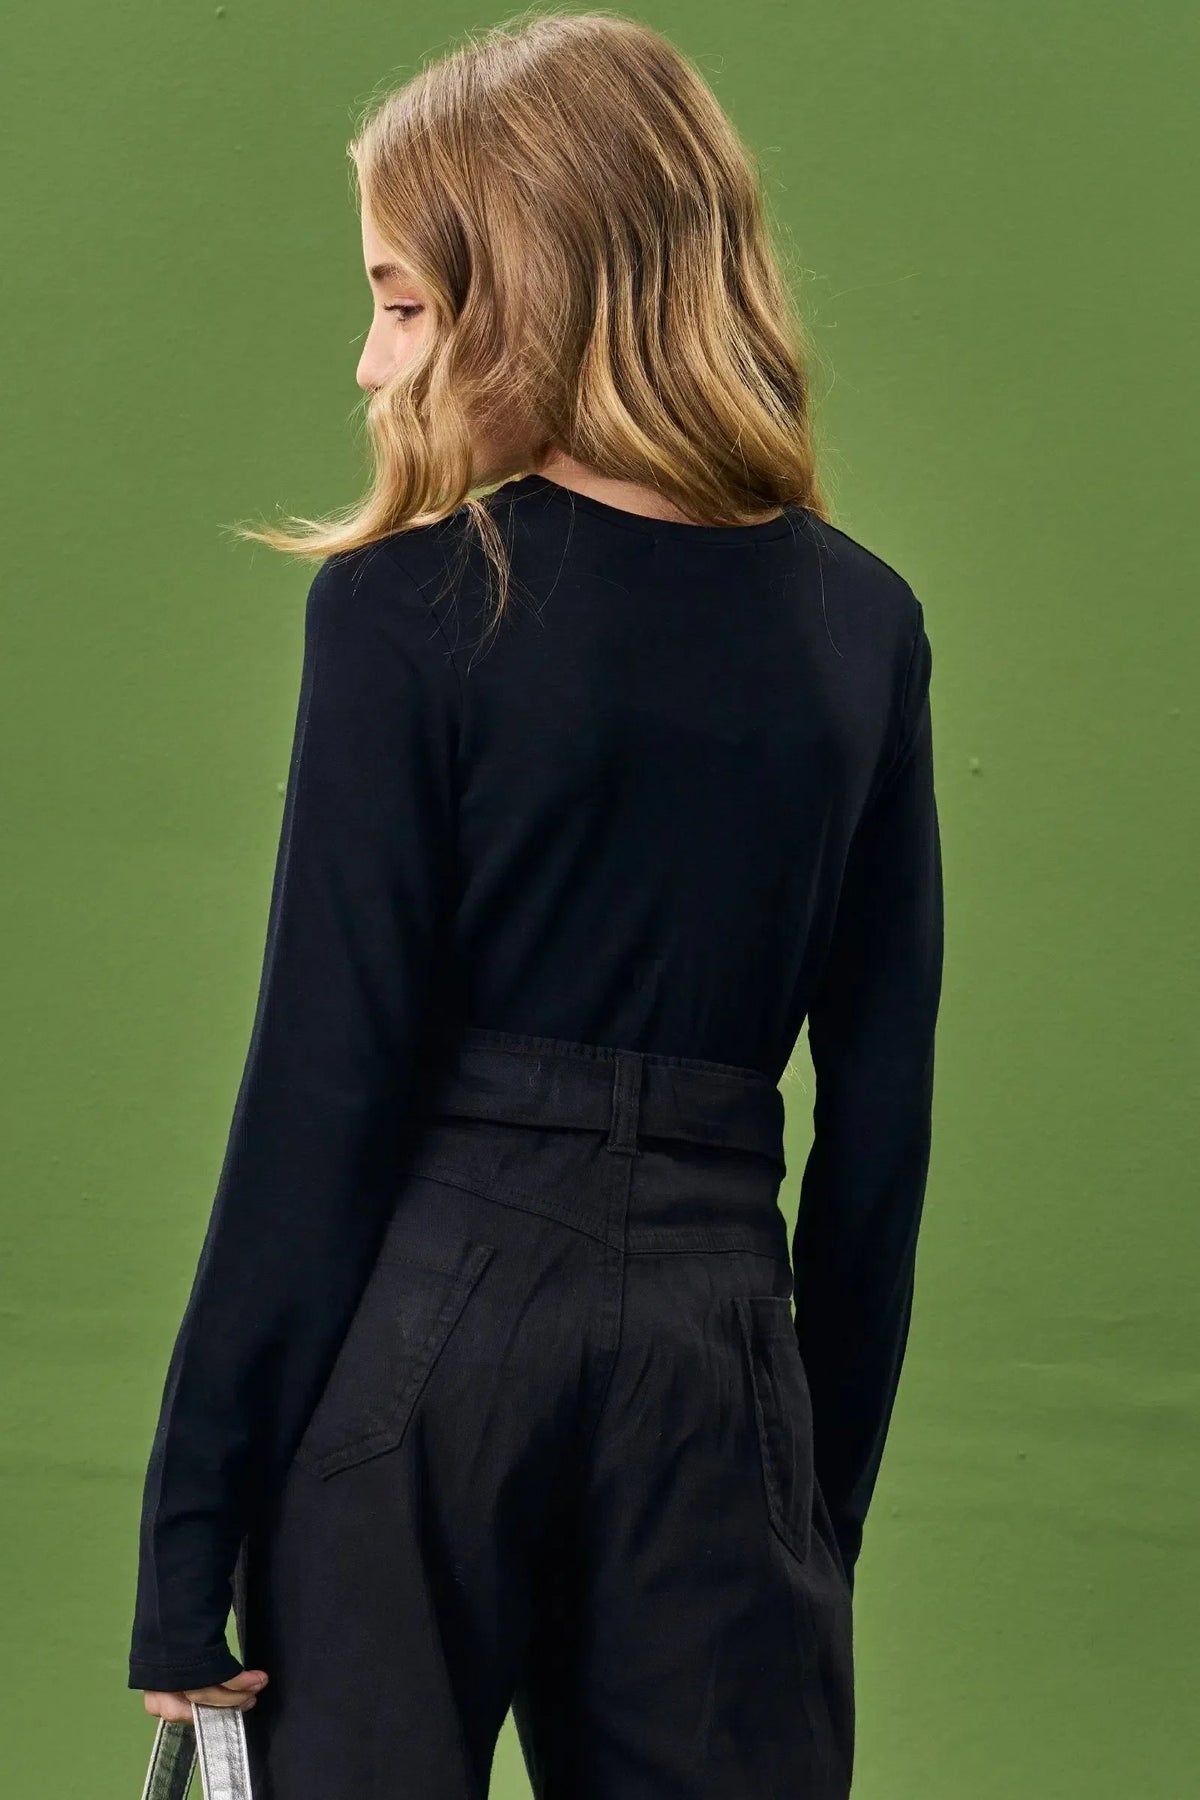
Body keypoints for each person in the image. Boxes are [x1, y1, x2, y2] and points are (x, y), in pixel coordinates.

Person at [127, 12, 943, 1798]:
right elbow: (880, 1131)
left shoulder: (408, 611)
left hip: (431, 1334)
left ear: (540, 286)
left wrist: (189, 1536)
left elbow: (322, 1091)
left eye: (406, 304)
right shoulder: (864, 629)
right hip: (723, 1366)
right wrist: (809, 1503)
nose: (371, 363)